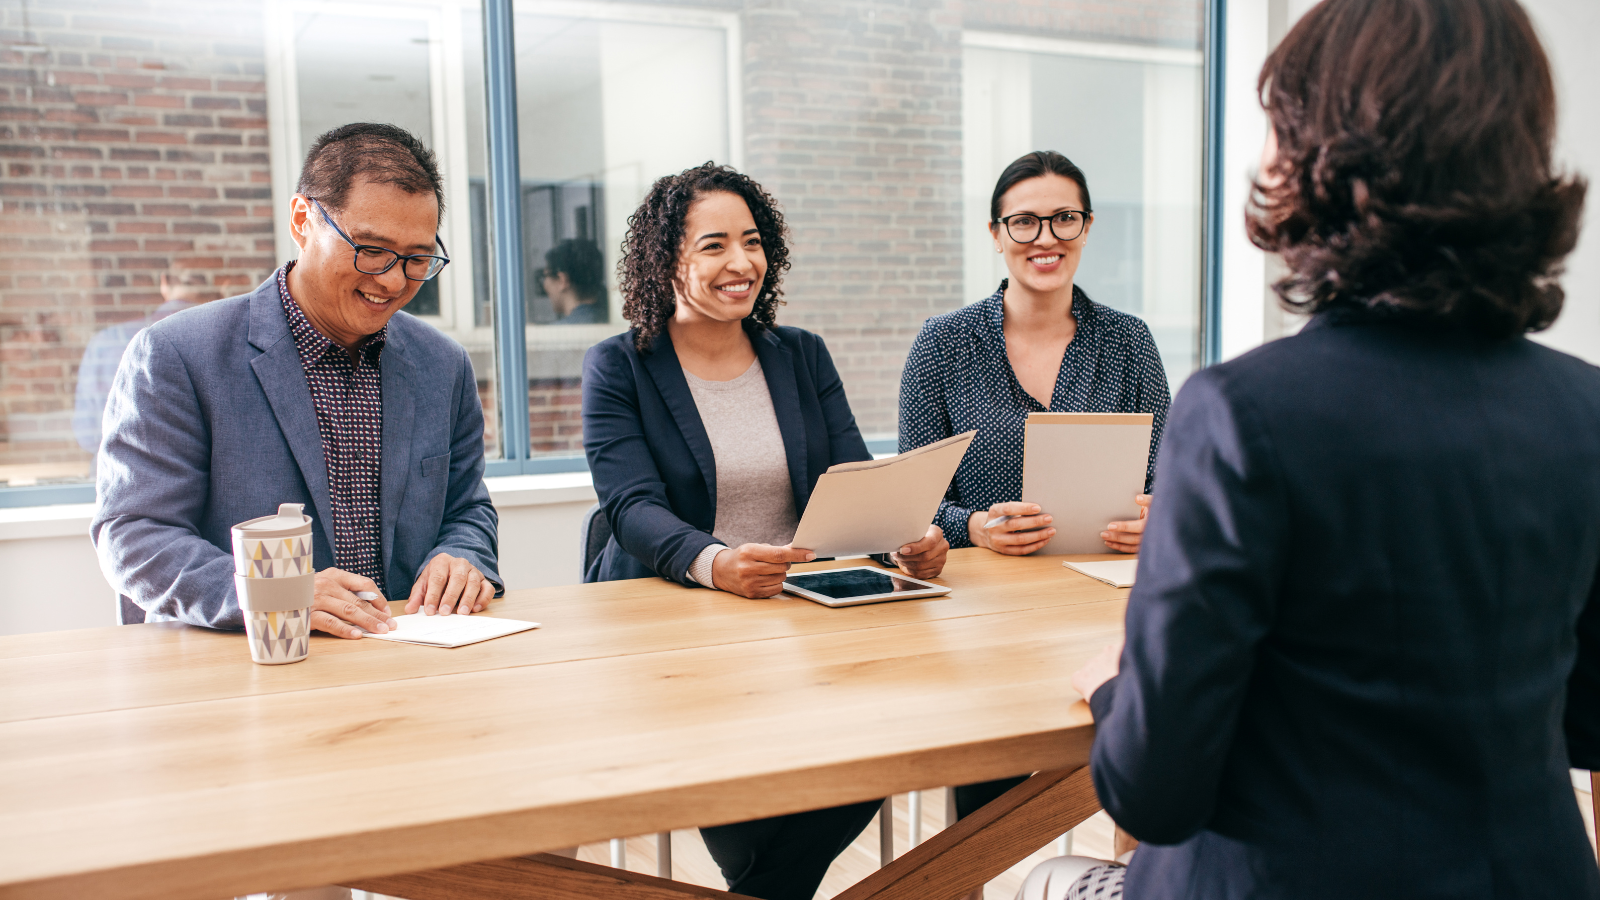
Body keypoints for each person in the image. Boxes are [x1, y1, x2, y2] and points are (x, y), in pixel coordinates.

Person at [1028, 1, 1600, 897]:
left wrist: (1119, 683)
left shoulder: (1241, 416)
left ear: (1320, 156)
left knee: (1051, 881)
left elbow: (1153, 792)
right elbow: (1589, 718)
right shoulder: (1587, 411)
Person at [581, 161, 948, 899]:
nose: (741, 263)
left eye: (752, 242)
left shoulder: (800, 354)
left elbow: (852, 473)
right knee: (742, 807)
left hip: (801, 617)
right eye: (713, 245)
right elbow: (630, 506)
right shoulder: (618, 367)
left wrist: (904, 534)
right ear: (666, 260)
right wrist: (716, 563)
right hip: (678, 626)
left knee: (888, 743)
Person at [92, 122, 501, 635]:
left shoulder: (444, 364)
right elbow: (134, 533)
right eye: (371, 249)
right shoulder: (178, 354)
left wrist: (462, 557)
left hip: (408, 657)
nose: (394, 281)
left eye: (417, 259)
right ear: (303, 220)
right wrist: (277, 594)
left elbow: (467, 509)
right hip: (250, 667)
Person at [898, 151, 1172, 824]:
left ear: (1086, 227)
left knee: (1138, 763)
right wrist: (974, 528)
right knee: (984, 799)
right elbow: (911, 503)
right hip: (980, 615)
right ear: (995, 233)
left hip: (1104, 606)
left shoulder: (1130, 342)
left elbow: (1175, 481)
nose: (1045, 238)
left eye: (1064, 219)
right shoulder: (942, 345)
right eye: (1024, 222)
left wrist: (1157, 518)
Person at [73, 269, 216, 457]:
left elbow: (87, 435)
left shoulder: (106, 342)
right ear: (216, 286)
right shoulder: (226, 345)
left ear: (164, 282)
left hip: (119, 473)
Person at [542, 238, 608, 324]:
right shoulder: (612, 321)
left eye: (545, 276)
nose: (544, 285)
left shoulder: (554, 334)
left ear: (562, 280)